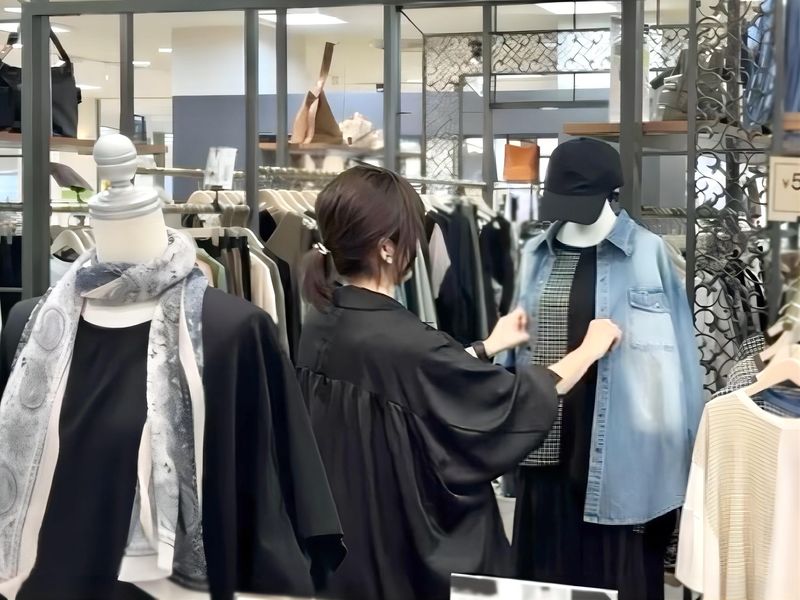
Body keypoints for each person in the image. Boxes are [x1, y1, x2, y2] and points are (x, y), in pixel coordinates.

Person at [296, 165, 621, 600]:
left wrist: (485, 348)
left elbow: (408, 384)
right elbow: (514, 399)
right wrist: (590, 348)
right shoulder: (405, 342)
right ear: (387, 248)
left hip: (347, 542)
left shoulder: (322, 319)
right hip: (401, 547)